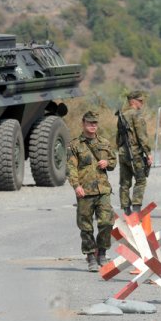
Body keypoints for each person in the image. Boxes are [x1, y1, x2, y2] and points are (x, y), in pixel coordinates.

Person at [67, 111, 117, 272]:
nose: (92, 125)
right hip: (85, 191)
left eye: (95, 123)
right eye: (89, 123)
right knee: (86, 227)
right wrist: (76, 186)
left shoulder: (104, 143)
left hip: (103, 189)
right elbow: (71, 168)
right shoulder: (75, 145)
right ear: (83, 123)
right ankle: (90, 256)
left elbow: (113, 162)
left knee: (107, 222)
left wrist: (107, 162)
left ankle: (101, 252)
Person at [116, 90, 153, 216]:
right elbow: (142, 136)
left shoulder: (123, 115)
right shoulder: (136, 115)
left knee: (125, 183)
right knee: (141, 180)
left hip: (123, 153)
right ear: (132, 101)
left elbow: (118, 137)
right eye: (140, 100)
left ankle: (126, 209)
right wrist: (148, 153)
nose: (142, 103)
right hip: (135, 153)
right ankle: (136, 210)